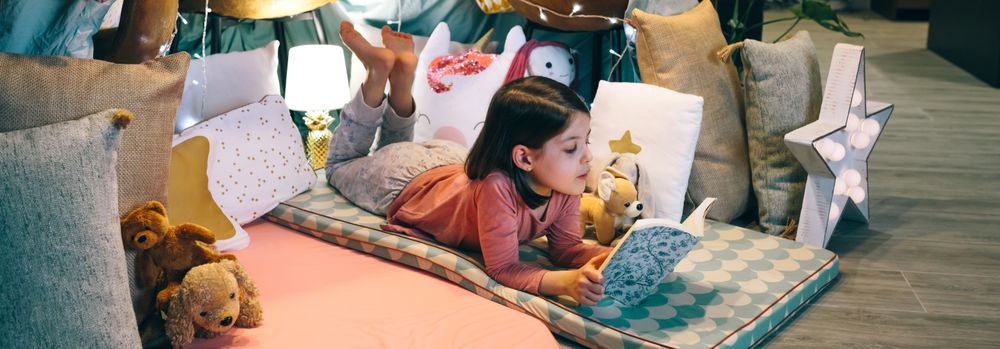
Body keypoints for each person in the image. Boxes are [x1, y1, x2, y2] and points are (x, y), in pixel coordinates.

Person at [328, 22, 611, 306]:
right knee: (342, 164)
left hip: (450, 161)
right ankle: (378, 73)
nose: (587, 156)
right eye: (572, 148)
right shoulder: (498, 187)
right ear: (524, 158)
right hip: (404, 180)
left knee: (390, 147)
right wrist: (566, 282)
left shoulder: (564, 183)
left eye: (585, 141)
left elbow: (565, 250)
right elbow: (503, 269)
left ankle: (402, 75)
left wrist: (610, 255)